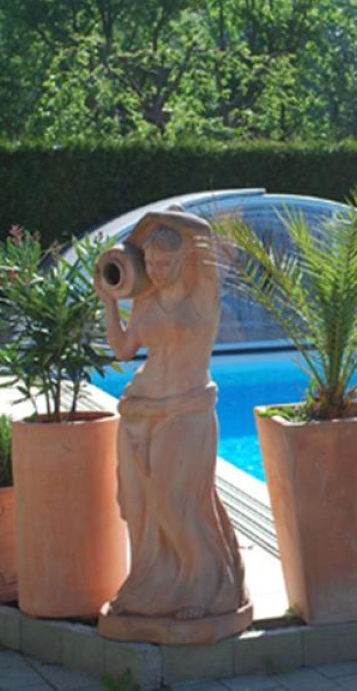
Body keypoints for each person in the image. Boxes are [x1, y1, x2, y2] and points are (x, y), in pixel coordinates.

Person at [96, 210, 250, 628]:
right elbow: (124, 349)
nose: (158, 272)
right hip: (139, 410)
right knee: (141, 508)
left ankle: (205, 587)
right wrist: (109, 301)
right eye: (151, 264)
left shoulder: (202, 296)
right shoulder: (145, 301)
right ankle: (150, 588)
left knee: (175, 503)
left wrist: (149, 220)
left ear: (184, 260)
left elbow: (202, 231)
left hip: (188, 409)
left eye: (166, 264)